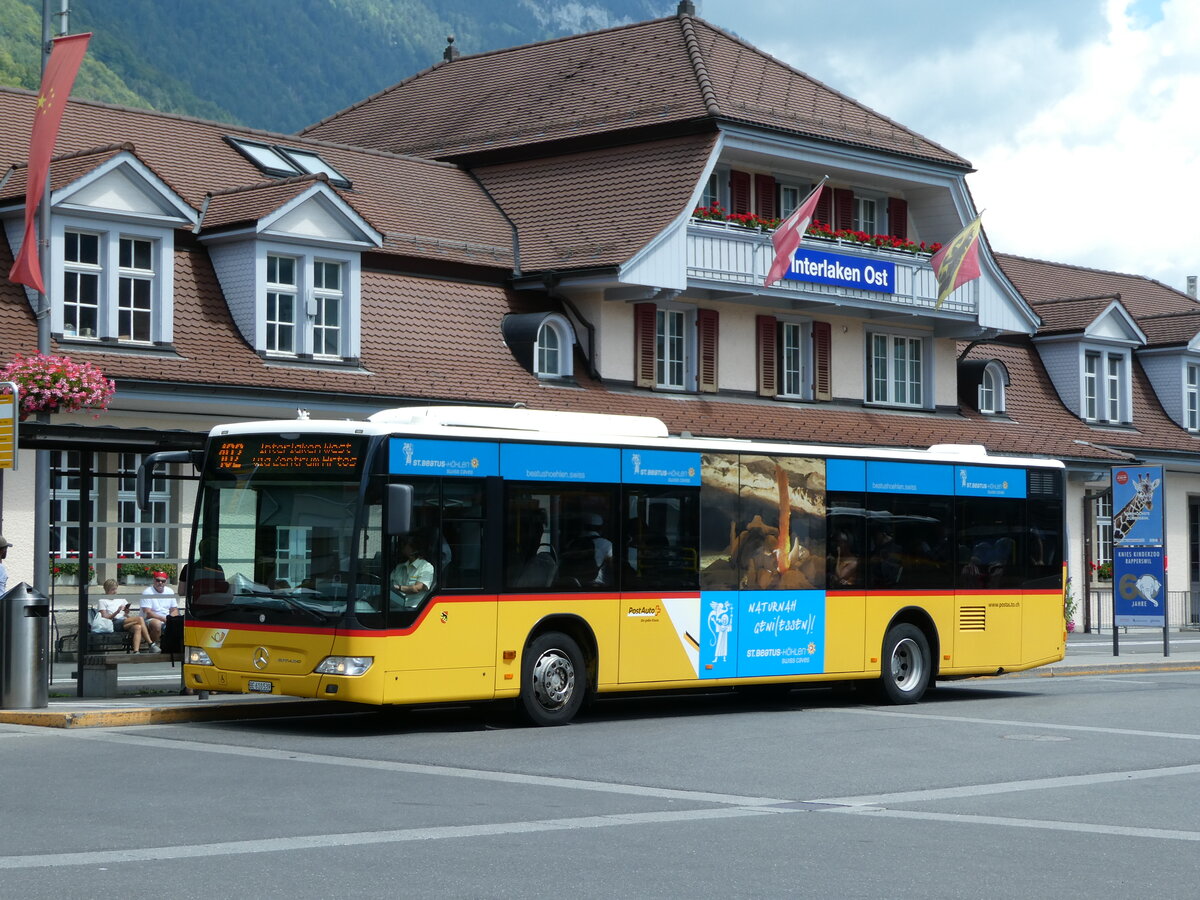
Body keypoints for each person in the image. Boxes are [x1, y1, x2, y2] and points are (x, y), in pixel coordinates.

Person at [95, 578, 153, 652]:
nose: (115, 591)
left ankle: (136, 651)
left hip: (124, 621)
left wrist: (126, 611)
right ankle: (151, 643)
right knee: (140, 619)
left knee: (138, 627)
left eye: (115, 589)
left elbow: (126, 613)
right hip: (114, 622)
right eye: (112, 590)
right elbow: (105, 617)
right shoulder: (102, 601)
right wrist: (117, 611)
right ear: (107, 590)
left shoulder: (120, 598)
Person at [390, 536, 434, 609]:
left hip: (414, 608)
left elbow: (417, 588)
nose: (401, 547)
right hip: (395, 605)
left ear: (413, 548)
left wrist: (398, 588)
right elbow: (389, 583)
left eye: (404, 544)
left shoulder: (426, 567)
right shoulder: (400, 567)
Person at [139, 570, 177, 651]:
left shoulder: (169, 591)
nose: (160, 583)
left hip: (166, 618)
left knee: (180, 623)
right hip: (149, 619)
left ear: (166, 581)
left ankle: (175, 648)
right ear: (154, 580)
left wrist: (172, 619)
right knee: (157, 624)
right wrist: (164, 619)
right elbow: (147, 613)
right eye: (158, 580)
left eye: (163, 581)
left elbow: (174, 609)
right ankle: (153, 646)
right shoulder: (147, 592)